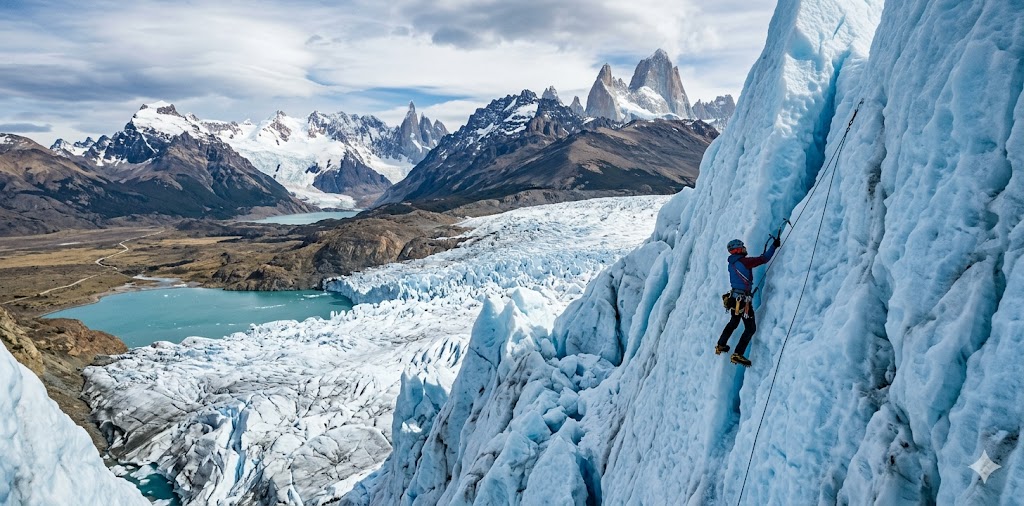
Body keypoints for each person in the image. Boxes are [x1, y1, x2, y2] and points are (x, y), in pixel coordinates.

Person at [716, 235, 779, 367]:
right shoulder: (744, 262)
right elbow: (764, 259)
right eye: (742, 247)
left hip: (734, 299)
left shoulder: (731, 263)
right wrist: (774, 245)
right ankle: (738, 354)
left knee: (733, 322)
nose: (744, 248)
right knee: (750, 328)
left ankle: (721, 345)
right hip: (743, 301)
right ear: (738, 250)